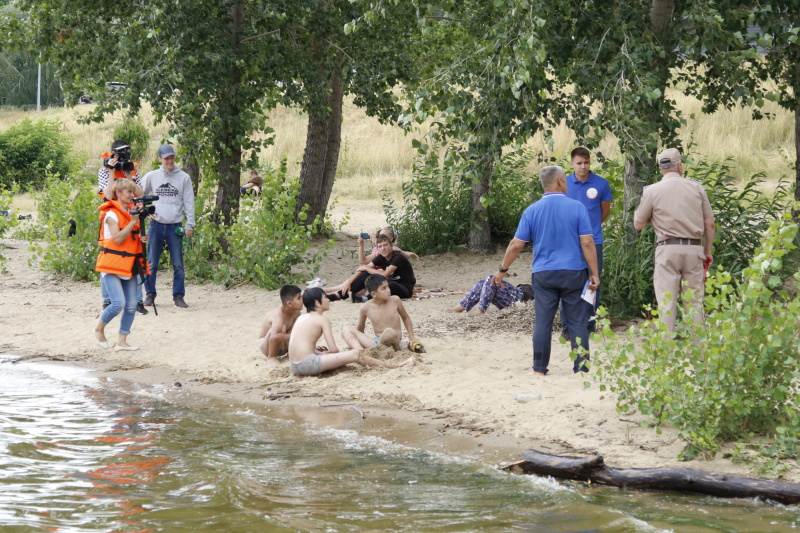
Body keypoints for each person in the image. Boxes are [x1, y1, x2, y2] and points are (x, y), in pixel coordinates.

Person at [493, 165, 600, 376]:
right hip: (574, 272)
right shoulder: (577, 207)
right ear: (560, 181)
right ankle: (582, 367)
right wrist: (594, 272)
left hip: (544, 274)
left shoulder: (532, 210)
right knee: (578, 320)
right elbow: (587, 243)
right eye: (566, 180)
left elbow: (516, 244)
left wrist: (502, 270)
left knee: (543, 322)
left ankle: (539, 368)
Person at [633, 148, 715, 330]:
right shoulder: (696, 188)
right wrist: (707, 251)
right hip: (694, 249)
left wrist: (654, 217)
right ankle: (698, 351)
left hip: (667, 249)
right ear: (680, 166)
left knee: (666, 304)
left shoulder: (652, 191)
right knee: (694, 303)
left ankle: (666, 351)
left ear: (661, 168)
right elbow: (709, 224)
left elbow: (638, 224)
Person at [287, 288, 416, 377]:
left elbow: (301, 347)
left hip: (294, 366)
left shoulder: (301, 318)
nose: (328, 300)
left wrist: (322, 355)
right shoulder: (322, 320)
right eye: (325, 297)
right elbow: (333, 350)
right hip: (308, 365)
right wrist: (338, 355)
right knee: (354, 354)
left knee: (344, 354)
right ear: (317, 303)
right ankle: (397, 366)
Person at [93, 178, 148, 351]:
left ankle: (122, 341)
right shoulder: (111, 214)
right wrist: (133, 222)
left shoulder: (134, 214)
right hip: (111, 265)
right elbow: (117, 238)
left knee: (132, 305)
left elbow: (132, 238)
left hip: (129, 264)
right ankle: (99, 328)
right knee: (118, 303)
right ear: (118, 193)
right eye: (129, 192)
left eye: (133, 192)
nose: (132, 195)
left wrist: (143, 238)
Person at [562, 147, 612, 332]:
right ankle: (567, 326)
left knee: (592, 281)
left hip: (593, 241)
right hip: (569, 242)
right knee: (567, 283)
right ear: (572, 164)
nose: (583, 167)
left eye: (586, 162)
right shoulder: (564, 183)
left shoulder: (601, 184)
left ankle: (589, 324)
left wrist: (590, 228)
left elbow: (604, 210)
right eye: (579, 163)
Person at [141, 144, 196, 309]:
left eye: (171, 157)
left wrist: (190, 224)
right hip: (156, 225)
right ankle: (150, 294)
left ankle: (178, 296)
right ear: (160, 159)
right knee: (151, 262)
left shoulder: (184, 178)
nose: (169, 161)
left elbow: (189, 202)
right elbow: (139, 195)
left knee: (178, 263)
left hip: (175, 225)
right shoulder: (152, 176)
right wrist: (145, 211)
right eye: (166, 158)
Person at [97, 140, 146, 315]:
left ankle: (138, 300)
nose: (123, 158)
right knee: (109, 252)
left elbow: (140, 194)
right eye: (119, 154)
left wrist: (128, 176)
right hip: (112, 215)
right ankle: (108, 300)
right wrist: (112, 172)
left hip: (129, 213)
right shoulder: (104, 170)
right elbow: (108, 195)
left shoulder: (131, 169)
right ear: (112, 154)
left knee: (135, 252)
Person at [342, 274, 425, 352]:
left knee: (389, 332)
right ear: (374, 294)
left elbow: (405, 318)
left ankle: (363, 351)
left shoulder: (395, 300)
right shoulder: (365, 308)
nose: (388, 290)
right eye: (384, 288)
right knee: (346, 329)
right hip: (377, 344)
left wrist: (412, 337)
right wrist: (355, 342)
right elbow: (360, 331)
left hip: (395, 342)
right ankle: (361, 351)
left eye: (388, 286)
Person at [327, 234, 416, 302]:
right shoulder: (381, 257)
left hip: (405, 289)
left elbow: (385, 274)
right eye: (380, 246)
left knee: (389, 284)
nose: (383, 249)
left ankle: (365, 299)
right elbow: (363, 267)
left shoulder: (398, 257)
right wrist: (349, 283)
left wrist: (367, 268)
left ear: (391, 246)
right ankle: (339, 295)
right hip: (389, 286)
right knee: (366, 273)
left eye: (385, 245)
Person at [444, 275, 534, 315]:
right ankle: (460, 307)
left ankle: (480, 310)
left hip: (522, 297)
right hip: (518, 293)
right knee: (482, 283)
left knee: (492, 278)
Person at [258, 285, 303, 364]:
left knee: (297, 324)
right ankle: (272, 357)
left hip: (283, 343)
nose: (302, 300)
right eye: (299, 298)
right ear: (289, 303)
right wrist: (294, 336)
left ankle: (290, 352)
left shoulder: (296, 313)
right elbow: (274, 336)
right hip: (267, 345)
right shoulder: (278, 315)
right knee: (282, 328)